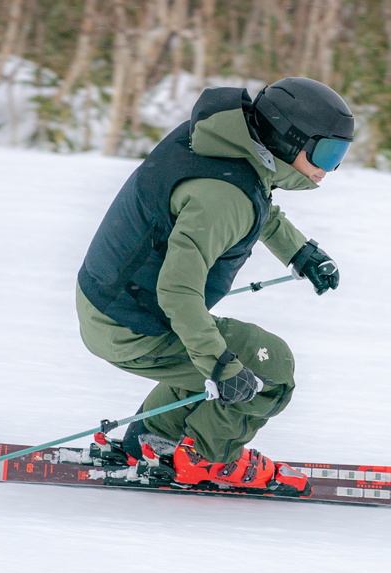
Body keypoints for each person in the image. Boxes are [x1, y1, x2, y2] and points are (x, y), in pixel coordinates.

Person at [75, 77, 353, 494]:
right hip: (132, 324)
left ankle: (154, 439)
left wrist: (299, 251)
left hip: (110, 301)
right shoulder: (223, 197)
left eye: (341, 155)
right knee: (269, 366)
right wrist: (222, 368)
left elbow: (255, 200)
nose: (329, 168)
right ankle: (206, 458)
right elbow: (178, 291)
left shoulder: (219, 142)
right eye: (327, 153)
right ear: (285, 139)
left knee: (211, 349)